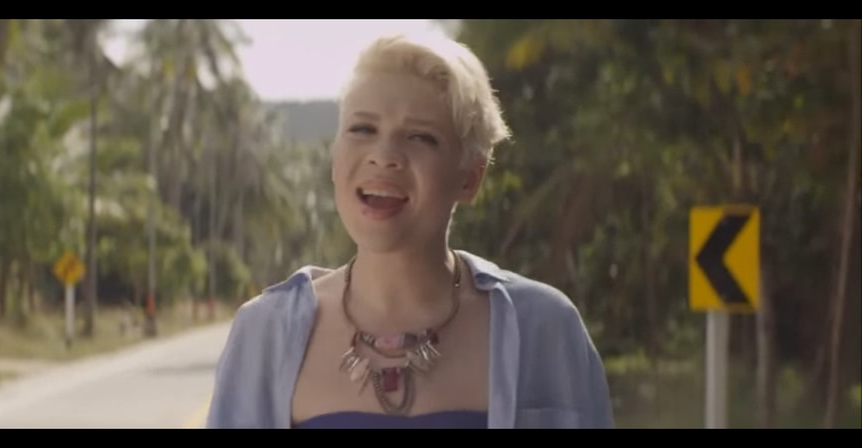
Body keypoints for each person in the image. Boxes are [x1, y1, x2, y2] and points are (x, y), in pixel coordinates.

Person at [205, 31, 614, 429]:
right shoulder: (265, 334)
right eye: (362, 129)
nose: (384, 156)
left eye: (421, 137)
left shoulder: (544, 328)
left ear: (470, 178)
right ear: (335, 158)